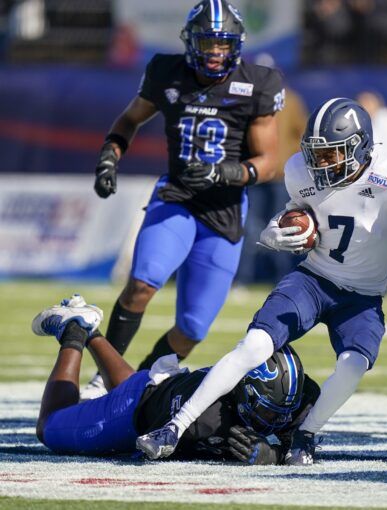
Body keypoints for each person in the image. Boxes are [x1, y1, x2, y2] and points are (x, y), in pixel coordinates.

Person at [134, 97, 387, 465]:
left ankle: (306, 435)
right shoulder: (300, 171)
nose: (321, 165)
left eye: (332, 154)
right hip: (313, 279)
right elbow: (288, 217)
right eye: (316, 154)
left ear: (360, 147)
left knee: (353, 364)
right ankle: (175, 426)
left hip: (363, 295)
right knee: (253, 345)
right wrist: (271, 236)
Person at [84, 1, 284, 399]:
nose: (214, 52)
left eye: (222, 44)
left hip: (223, 210)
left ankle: (138, 382)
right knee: (142, 282)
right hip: (175, 196)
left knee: (192, 328)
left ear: (236, 46)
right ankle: (104, 377)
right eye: (206, 43)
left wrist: (226, 172)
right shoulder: (166, 72)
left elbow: (270, 163)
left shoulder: (258, 83)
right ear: (190, 43)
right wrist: (110, 155)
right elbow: (129, 119)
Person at [31, 295, 318, 464]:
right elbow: (157, 448)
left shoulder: (302, 396)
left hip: (157, 384)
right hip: (134, 413)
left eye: (283, 411)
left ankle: (90, 329)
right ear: (243, 391)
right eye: (267, 410)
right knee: (49, 430)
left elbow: (300, 441)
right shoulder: (205, 418)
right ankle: (73, 332)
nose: (276, 420)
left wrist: (277, 452)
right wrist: (262, 454)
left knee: (134, 385)